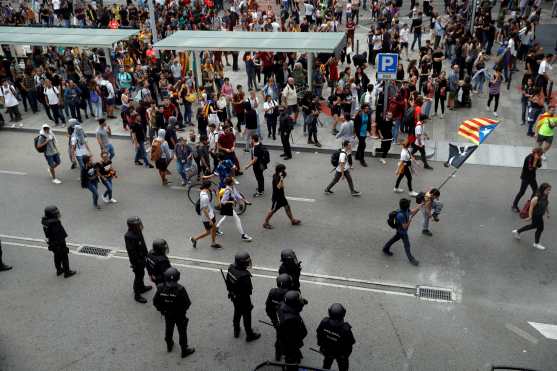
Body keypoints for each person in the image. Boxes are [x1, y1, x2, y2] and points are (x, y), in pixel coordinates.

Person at [153, 267, 196, 358]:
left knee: (168, 330)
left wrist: (162, 310)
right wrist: (182, 311)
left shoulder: (160, 287)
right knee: (182, 333)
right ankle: (184, 351)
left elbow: (155, 302)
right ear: (177, 278)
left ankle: (169, 346)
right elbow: (187, 304)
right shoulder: (180, 289)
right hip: (179, 315)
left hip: (167, 314)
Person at [225, 252, 261, 341]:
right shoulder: (244, 276)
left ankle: (236, 330)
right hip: (243, 299)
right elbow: (248, 291)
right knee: (247, 316)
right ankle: (249, 335)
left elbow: (228, 282)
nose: (248, 263)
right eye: (247, 262)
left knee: (237, 312)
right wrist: (249, 304)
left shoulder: (231, 268)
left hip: (234, 296)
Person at [316, 303, 356, 371]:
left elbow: (319, 335)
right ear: (343, 314)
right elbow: (350, 344)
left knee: (326, 365)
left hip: (327, 351)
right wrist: (345, 355)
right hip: (341, 355)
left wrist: (321, 347)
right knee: (343, 368)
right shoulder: (345, 329)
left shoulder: (324, 322)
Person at [513, 183, 552, 251]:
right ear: (543, 189)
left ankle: (518, 231)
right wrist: (530, 216)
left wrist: (547, 213)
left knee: (533, 226)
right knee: (540, 228)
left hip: (540, 214)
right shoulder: (536, 198)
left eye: (549, 190)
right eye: (547, 190)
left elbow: (546, 204)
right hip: (536, 215)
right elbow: (531, 208)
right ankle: (536, 243)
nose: (549, 192)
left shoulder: (545, 196)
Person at [382, 198, 420, 266]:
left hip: (400, 231)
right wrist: (410, 219)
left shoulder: (404, 210)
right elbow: (405, 227)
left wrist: (419, 206)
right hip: (402, 232)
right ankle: (411, 259)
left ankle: (385, 248)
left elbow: (412, 212)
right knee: (407, 245)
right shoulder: (401, 216)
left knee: (395, 238)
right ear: (407, 207)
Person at [263, 164, 302, 229]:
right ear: (280, 170)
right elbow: (278, 187)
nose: (284, 171)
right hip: (277, 198)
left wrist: (283, 176)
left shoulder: (280, 174)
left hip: (281, 196)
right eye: (283, 170)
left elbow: (284, 176)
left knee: (287, 207)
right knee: (272, 210)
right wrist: (281, 179)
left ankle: (292, 220)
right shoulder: (276, 177)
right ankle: (265, 223)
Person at [41, 205, 76, 278]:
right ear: (52, 215)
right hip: (58, 243)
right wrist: (62, 245)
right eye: (56, 213)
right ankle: (67, 272)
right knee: (64, 256)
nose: (58, 214)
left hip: (52, 242)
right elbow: (59, 235)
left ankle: (59, 270)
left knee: (57, 256)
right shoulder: (54, 223)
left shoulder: (45, 222)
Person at [124, 216, 152, 303]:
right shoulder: (129, 236)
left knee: (142, 274)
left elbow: (142, 243)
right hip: (137, 261)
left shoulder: (138, 231)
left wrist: (146, 255)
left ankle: (142, 287)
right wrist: (137, 262)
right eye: (138, 224)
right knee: (138, 277)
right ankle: (137, 295)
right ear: (132, 226)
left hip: (143, 258)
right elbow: (131, 252)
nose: (140, 226)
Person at [265, 273, 293, 361]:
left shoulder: (272, 292)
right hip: (288, 322)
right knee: (289, 340)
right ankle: (287, 354)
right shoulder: (290, 295)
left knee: (279, 338)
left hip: (277, 321)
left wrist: (274, 321)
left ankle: (278, 355)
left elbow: (268, 309)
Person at [216, 177, 253, 242]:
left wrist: (245, 201)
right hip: (227, 206)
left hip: (228, 206)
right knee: (237, 220)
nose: (234, 182)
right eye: (233, 181)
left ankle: (217, 228)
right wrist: (231, 202)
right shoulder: (228, 190)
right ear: (231, 183)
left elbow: (237, 194)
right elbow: (222, 201)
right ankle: (243, 235)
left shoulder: (232, 187)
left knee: (225, 217)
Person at [277, 290, 308, 369]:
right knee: (291, 361)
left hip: (285, 339)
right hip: (290, 344)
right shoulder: (292, 320)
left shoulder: (282, 305)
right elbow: (300, 334)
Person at [189, 180, 222, 249]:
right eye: (211, 185)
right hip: (207, 217)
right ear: (208, 186)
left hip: (211, 214)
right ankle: (195, 239)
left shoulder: (203, 191)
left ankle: (213, 242)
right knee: (208, 232)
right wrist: (209, 220)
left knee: (213, 228)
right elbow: (204, 210)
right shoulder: (205, 197)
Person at [512, 148, 542, 213]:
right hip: (525, 178)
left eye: (541, 155)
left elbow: (539, 166)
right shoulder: (529, 158)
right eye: (539, 155)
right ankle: (514, 205)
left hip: (532, 177)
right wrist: (535, 161)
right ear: (535, 153)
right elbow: (531, 169)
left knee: (535, 191)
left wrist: (539, 160)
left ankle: (530, 204)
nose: (540, 156)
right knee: (522, 192)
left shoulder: (538, 158)